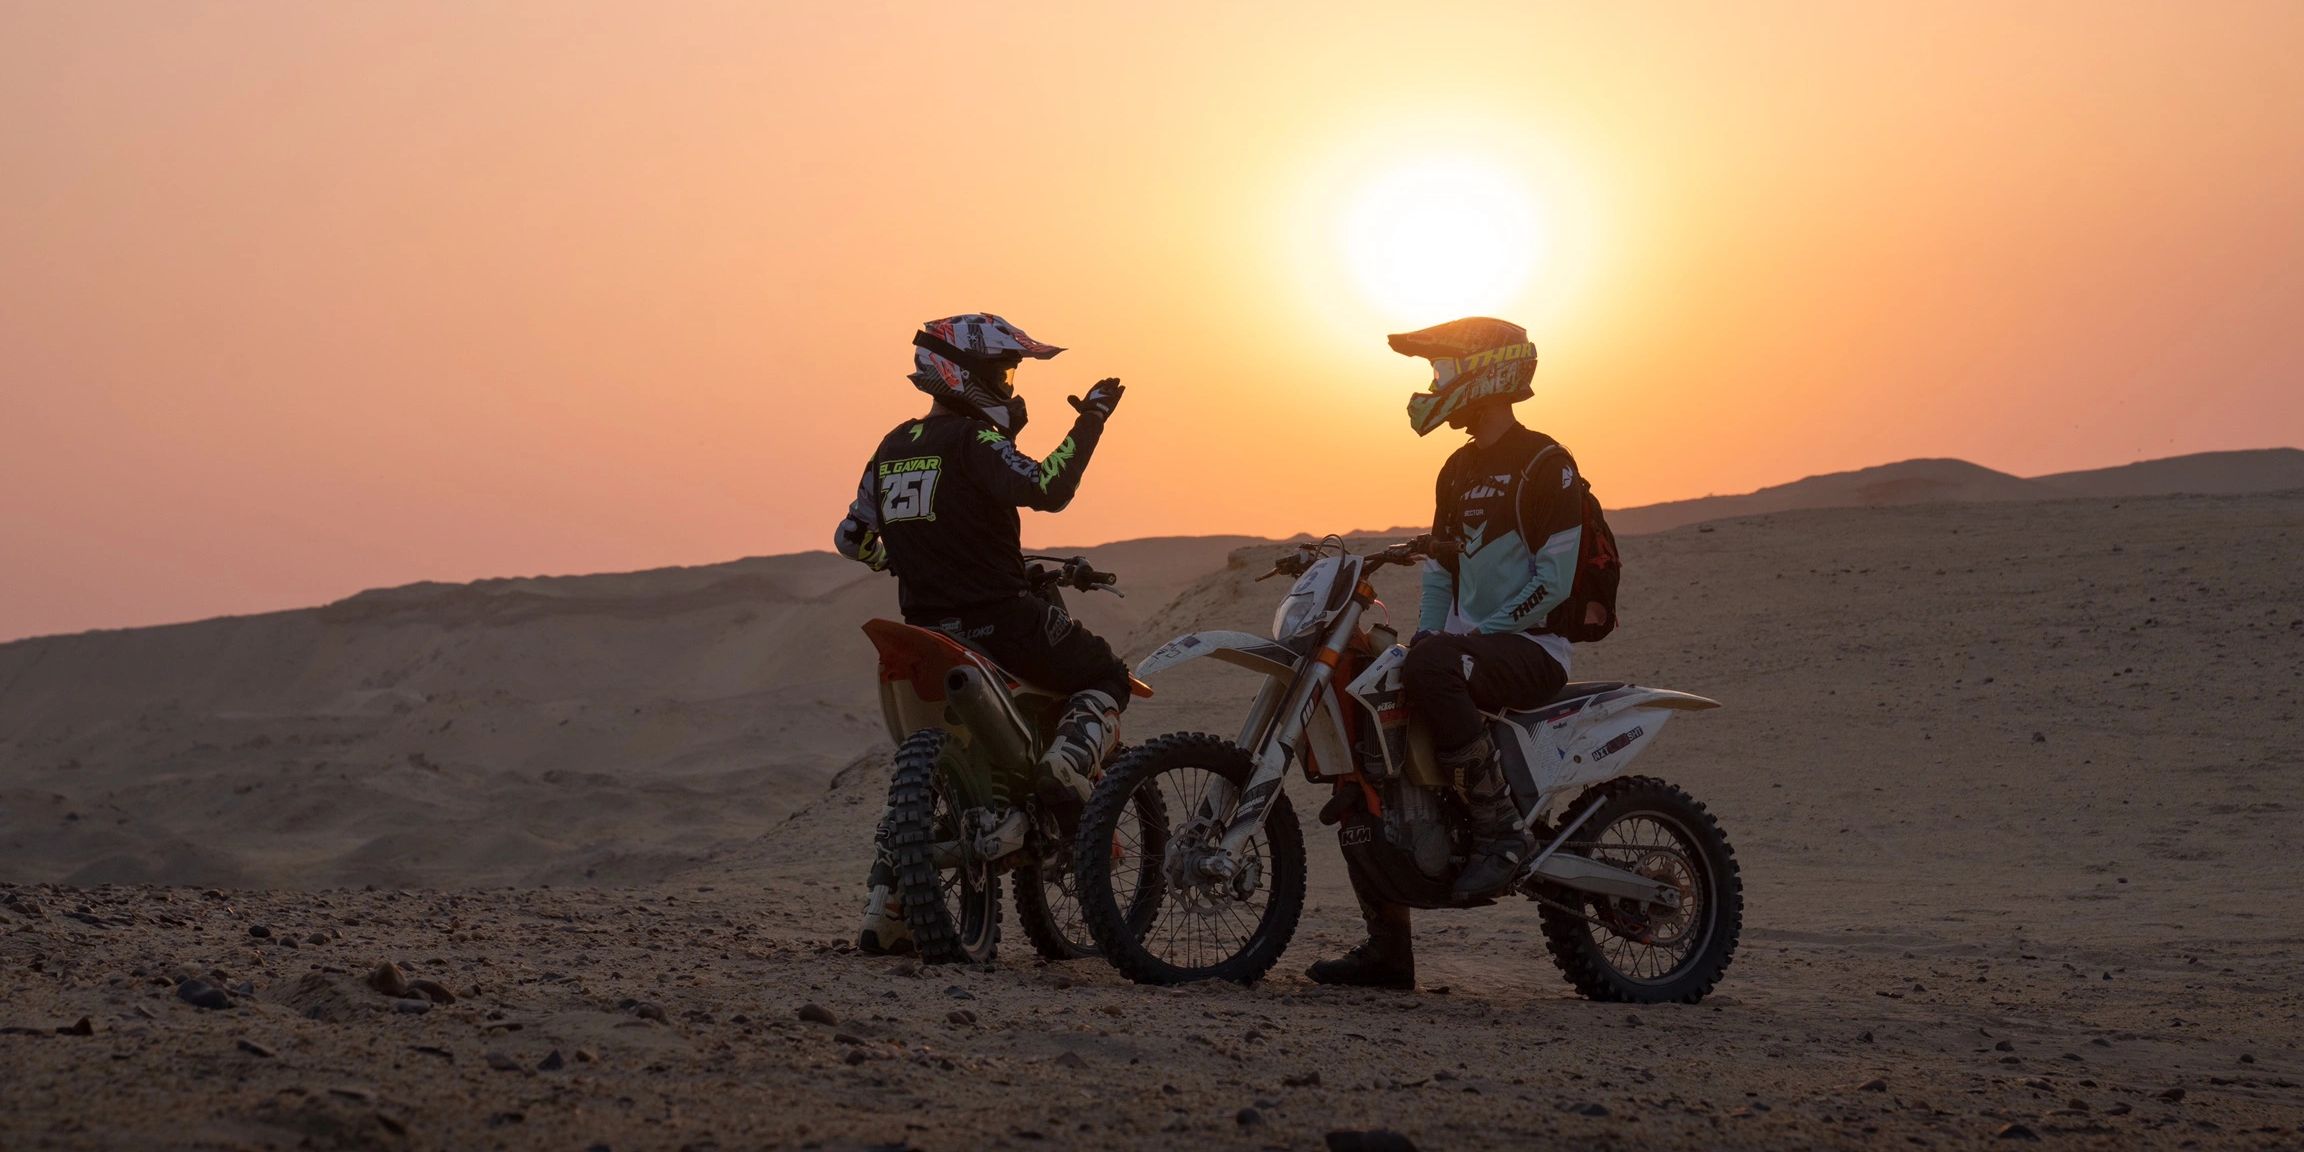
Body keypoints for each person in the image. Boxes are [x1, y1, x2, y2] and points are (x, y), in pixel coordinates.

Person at [833, 313, 1130, 954]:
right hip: (1001, 621)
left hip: (924, 627)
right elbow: (1049, 489)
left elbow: (851, 539)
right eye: (1002, 370)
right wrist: (1091, 421)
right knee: (1105, 673)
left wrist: (906, 563)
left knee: (919, 776)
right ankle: (1064, 766)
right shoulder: (972, 440)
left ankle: (886, 913)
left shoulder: (891, 446)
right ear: (964, 373)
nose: (1009, 382)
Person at [1309, 316, 1583, 989]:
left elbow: (1556, 580)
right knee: (1368, 708)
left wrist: (1478, 634)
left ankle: (1500, 833)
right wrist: (1429, 636)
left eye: (1442, 371)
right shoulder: (1457, 469)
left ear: (1487, 373)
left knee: (1433, 665)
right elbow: (1438, 572)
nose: (1433, 385)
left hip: (1532, 645)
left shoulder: (1548, 463)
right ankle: (1388, 949)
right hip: (1463, 650)